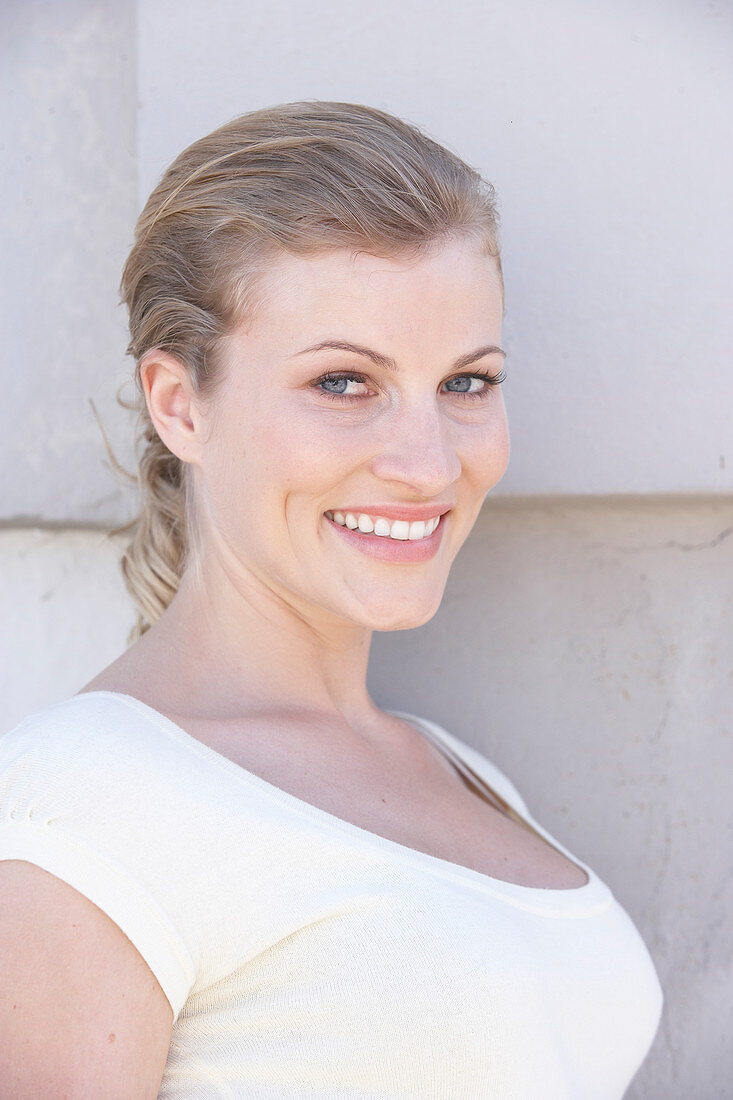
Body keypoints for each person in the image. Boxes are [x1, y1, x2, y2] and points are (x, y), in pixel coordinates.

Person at [0, 100, 663, 1098]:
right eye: (345, 383)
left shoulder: (462, 772)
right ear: (181, 403)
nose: (427, 462)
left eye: (467, 382)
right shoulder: (79, 807)